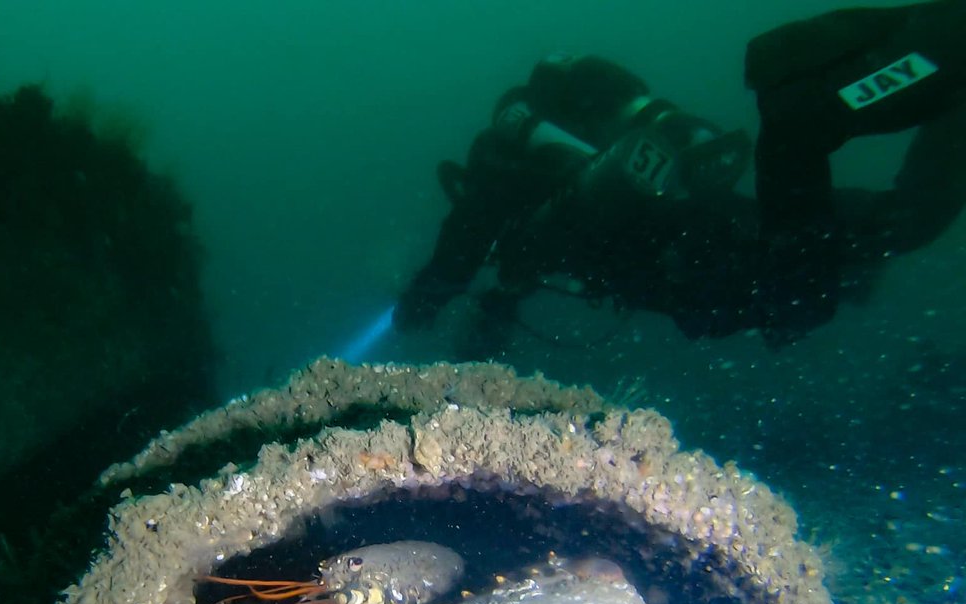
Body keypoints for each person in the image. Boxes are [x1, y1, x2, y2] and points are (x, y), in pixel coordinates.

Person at [394, 1, 966, 350]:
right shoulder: (561, 158)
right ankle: (854, 247)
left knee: (776, 268)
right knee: (790, 242)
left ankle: (941, 68)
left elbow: (464, 240)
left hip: (663, 252)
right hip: (687, 221)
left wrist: (425, 298)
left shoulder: (502, 162)